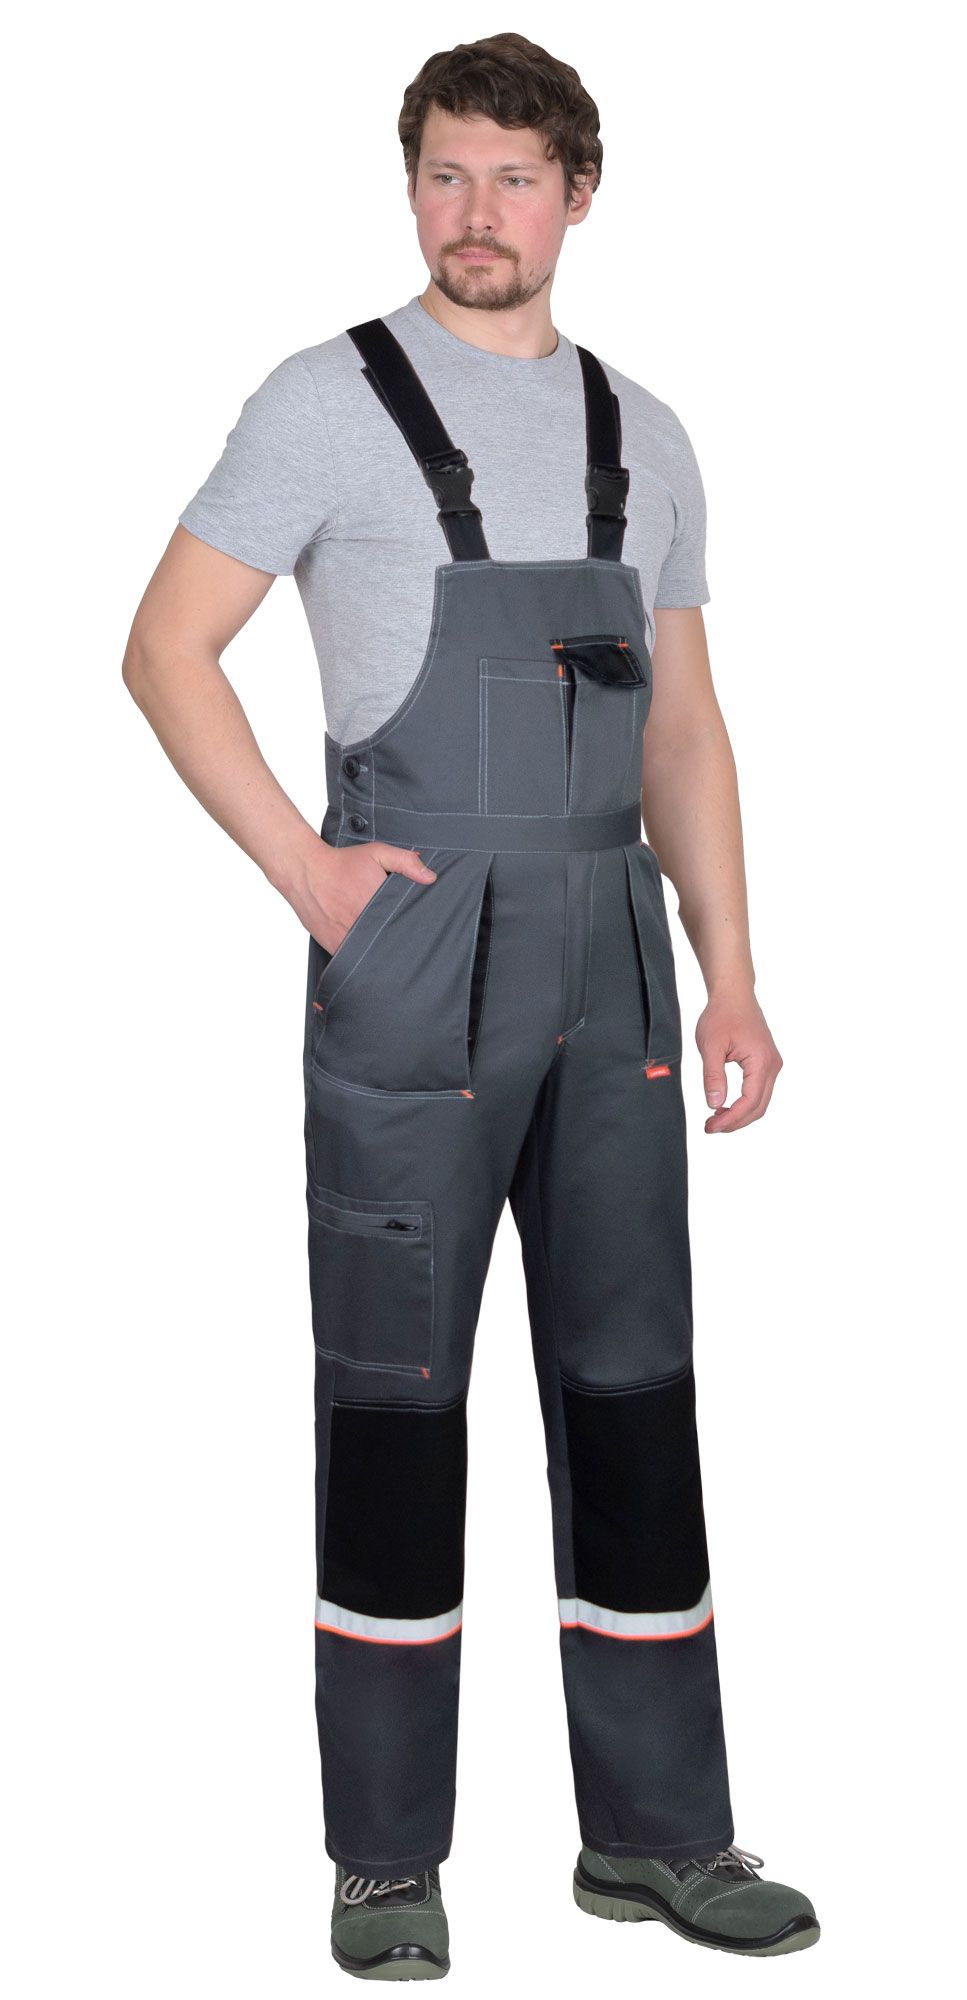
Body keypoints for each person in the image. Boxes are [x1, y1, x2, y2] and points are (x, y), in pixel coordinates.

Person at [122, 30, 819, 1978]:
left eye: (514, 175)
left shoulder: (643, 431)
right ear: (410, 182)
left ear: (578, 195)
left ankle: (660, 1838)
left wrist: (731, 972)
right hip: (413, 956)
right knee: (397, 1391)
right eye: (445, 171)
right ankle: (384, 1856)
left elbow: (683, 729)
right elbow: (165, 648)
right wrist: (308, 871)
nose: (475, 210)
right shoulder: (324, 401)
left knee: (632, 1386)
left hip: (611, 961)